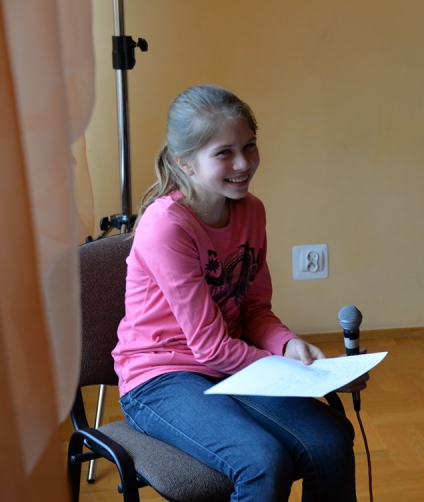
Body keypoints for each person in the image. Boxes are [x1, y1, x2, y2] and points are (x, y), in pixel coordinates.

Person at [112, 84, 366, 501]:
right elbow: (210, 347)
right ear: (185, 163)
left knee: (331, 443)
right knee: (262, 461)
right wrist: (299, 375)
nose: (243, 163)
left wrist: (288, 345)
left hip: (228, 366)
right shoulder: (167, 226)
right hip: (159, 376)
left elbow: (253, 310)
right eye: (224, 153)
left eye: (249, 146)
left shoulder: (252, 211)